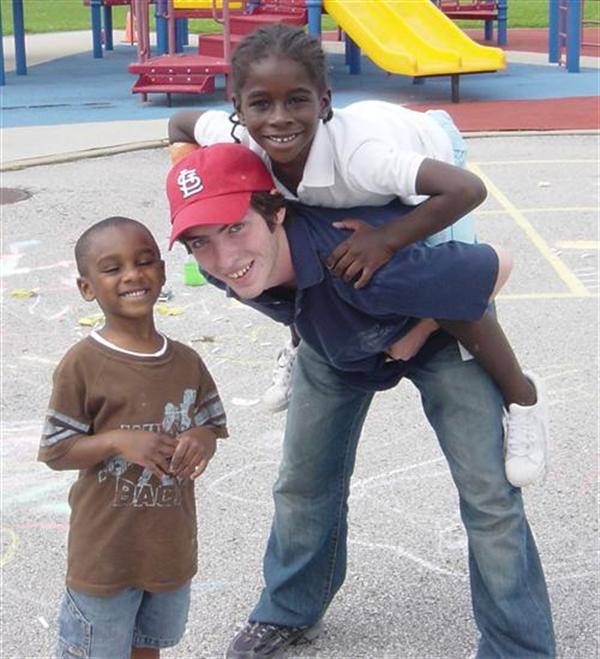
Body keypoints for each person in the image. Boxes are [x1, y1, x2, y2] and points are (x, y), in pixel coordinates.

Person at [165, 144, 555, 659]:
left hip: (436, 328)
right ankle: (289, 608)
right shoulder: (231, 270)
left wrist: (412, 338)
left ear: (277, 213)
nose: (225, 257)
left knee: (489, 494)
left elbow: (497, 263)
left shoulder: (356, 262)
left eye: (236, 228)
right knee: (302, 481)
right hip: (338, 338)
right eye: (201, 242)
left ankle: (519, 648)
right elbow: (284, 295)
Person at [166, 25, 548, 489]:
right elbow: (180, 124)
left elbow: (466, 190)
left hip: (431, 159)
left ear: (324, 102)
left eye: (297, 101)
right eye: (261, 104)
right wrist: (193, 191)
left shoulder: (362, 157)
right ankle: (299, 343)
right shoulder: (241, 139)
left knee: (454, 288)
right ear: (238, 110)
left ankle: (522, 398)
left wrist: (386, 240)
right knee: (291, 246)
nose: (279, 118)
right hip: (331, 188)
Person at [37, 217, 228, 659]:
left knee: (148, 646)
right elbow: (57, 450)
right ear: (87, 288)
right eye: (112, 268)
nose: (132, 275)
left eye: (144, 262)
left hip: (167, 549)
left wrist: (202, 438)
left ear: (161, 271)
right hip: (105, 555)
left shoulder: (186, 361)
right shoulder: (83, 364)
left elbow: (211, 426)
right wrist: (117, 441)